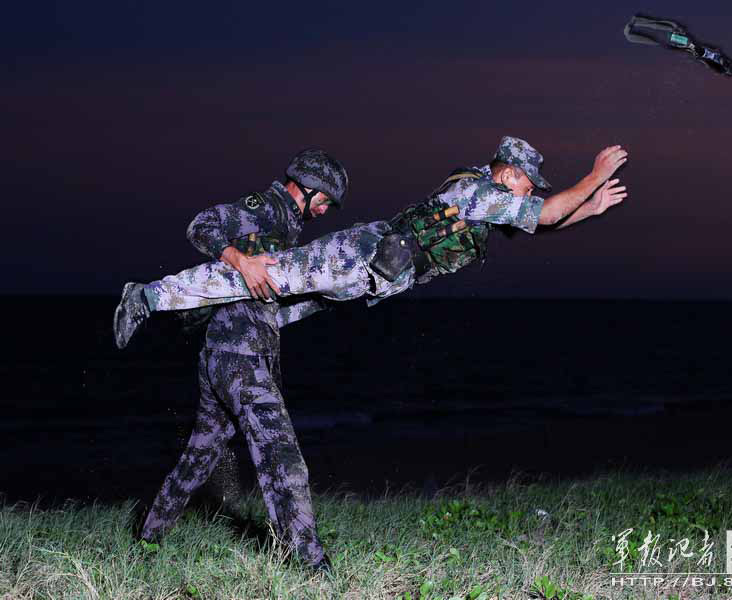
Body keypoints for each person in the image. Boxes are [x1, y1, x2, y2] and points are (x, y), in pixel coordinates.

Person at [114, 136, 628, 340]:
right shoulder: (477, 193)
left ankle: (195, 315)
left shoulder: (489, 202)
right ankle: (150, 296)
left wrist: (591, 208)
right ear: (508, 174)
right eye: (526, 182)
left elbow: (549, 220)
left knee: (280, 306)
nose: (529, 191)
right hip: (361, 256)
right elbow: (544, 214)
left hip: (374, 277)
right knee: (268, 272)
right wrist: (593, 176)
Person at [132, 148, 348, 571]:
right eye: (323, 201)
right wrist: (239, 260)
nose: (324, 211)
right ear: (306, 188)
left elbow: (267, 307)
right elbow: (201, 225)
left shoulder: (287, 229)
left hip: (232, 355)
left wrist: (324, 299)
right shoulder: (265, 207)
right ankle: (309, 564)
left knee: (199, 458)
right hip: (238, 355)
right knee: (280, 453)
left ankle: (146, 539)